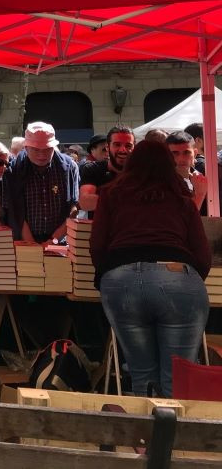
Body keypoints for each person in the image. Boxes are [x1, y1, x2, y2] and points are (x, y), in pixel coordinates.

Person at [90, 140, 211, 397]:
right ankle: (177, 434)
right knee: (178, 378)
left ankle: (145, 435)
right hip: (177, 276)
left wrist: (107, 276)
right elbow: (202, 254)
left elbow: (97, 246)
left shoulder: (111, 194)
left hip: (120, 279)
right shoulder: (182, 199)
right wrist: (188, 279)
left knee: (141, 375)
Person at [2, 122, 80, 243]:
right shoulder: (14, 170)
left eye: (47, 149)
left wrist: (54, 239)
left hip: (60, 241)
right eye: (36, 150)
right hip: (24, 240)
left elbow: (74, 208)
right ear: (26, 148)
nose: (42, 155)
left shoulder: (69, 167)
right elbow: (14, 211)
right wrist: (31, 243)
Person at [79, 127, 135, 214]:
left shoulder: (141, 172)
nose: (123, 150)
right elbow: (85, 202)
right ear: (108, 148)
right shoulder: (92, 169)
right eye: (117, 144)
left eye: (128, 146)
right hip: (102, 227)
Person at [165, 130, 208, 209]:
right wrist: (200, 195)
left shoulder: (204, 176)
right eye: (175, 153)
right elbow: (182, 219)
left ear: (195, 153)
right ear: (166, 155)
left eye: (186, 152)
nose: (181, 159)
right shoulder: (161, 183)